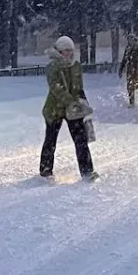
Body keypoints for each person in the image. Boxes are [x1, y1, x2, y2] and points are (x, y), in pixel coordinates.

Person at [39, 36, 99, 181]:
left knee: (81, 140)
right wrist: (71, 101)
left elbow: (79, 88)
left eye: (71, 50)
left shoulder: (76, 66)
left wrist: (84, 105)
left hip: (74, 109)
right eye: (66, 50)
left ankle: (87, 171)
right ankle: (45, 171)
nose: (69, 53)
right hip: (55, 109)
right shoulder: (53, 67)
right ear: (59, 51)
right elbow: (56, 89)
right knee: (50, 140)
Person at [118, 33, 138, 107]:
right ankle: (132, 102)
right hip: (131, 70)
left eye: (132, 40)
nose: (130, 42)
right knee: (131, 87)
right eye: (129, 40)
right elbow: (124, 59)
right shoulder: (128, 48)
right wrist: (121, 69)